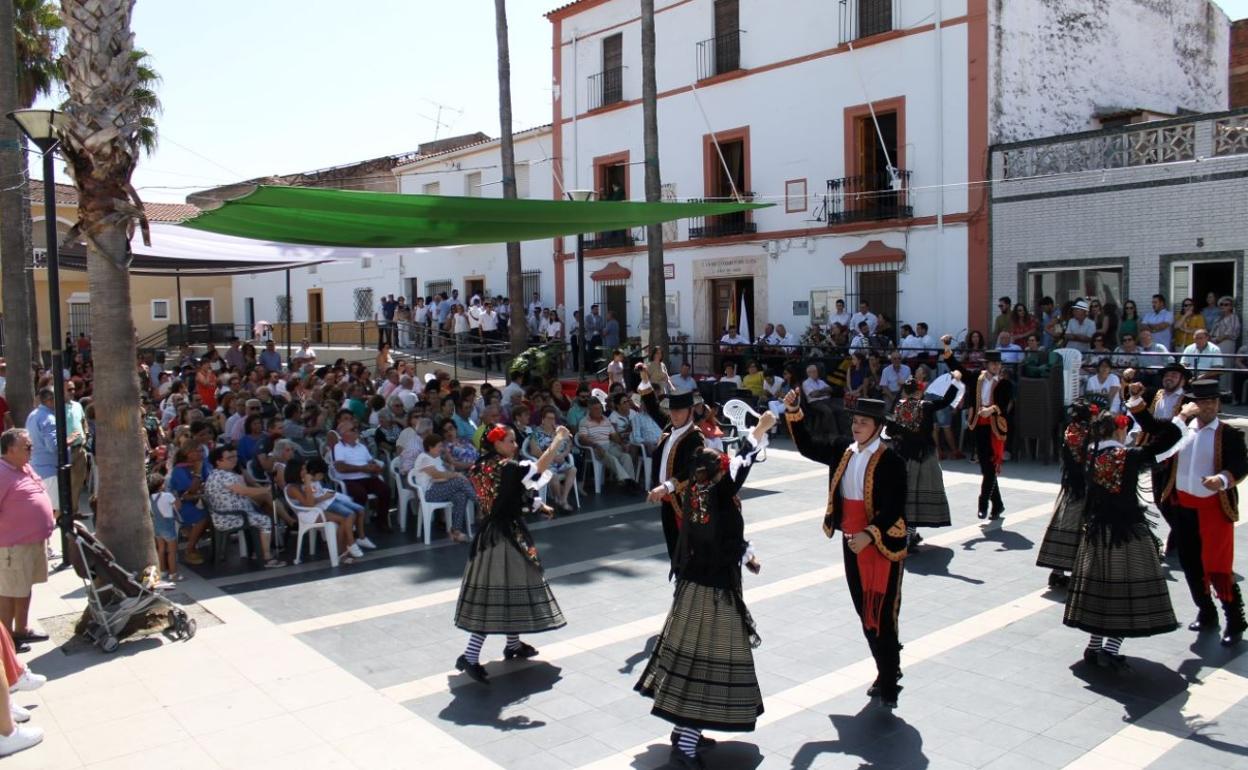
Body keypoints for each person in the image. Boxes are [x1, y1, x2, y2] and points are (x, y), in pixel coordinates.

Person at [636, 413, 773, 764]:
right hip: (713, 590)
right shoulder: (718, 492)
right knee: (707, 663)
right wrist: (760, 429)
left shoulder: (696, 492)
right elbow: (741, 463)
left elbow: (722, 537)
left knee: (692, 658)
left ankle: (685, 733)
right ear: (717, 474)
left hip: (695, 584)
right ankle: (685, 744)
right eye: (722, 469)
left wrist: (746, 555)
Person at [784, 391, 908, 708]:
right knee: (864, 611)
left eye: (863, 422)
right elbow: (808, 445)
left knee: (882, 612)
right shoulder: (844, 450)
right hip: (852, 541)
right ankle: (886, 667)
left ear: (878, 427)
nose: (856, 426)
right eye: (855, 420)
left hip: (882, 543)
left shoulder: (891, 460)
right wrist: (795, 411)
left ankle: (889, 678)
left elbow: (894, 506)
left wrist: (870, 533)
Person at [1063, 392, 1195, 668]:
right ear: (1119, 430)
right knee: (1127, 593)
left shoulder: (1091, 454)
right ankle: (1109, 650)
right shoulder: (1126, 456)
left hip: (1097, 531)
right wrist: (1182, 418)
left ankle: (1094, 647)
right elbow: (1162, 445)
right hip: (1126, 533)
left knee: (1101, 590)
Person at [453, 423, 570, 683]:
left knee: (512, 587)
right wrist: (558, 440)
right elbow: (537, 469)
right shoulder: (507, 467)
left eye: (515, 441)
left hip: (490, 533)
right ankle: (470, 656)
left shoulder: (480, 465)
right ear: (496, 443)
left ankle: (513, 644)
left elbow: (508, 494)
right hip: (503, 536)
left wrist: (538, 506)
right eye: (510, 441)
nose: (515, 446)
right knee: (497, 594)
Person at [1158, 378, 1248, 647]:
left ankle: (1235, 620)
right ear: (1193, 404)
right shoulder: (1182, 429)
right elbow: (1161, 450)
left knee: (1218, 566)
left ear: (1218, 404)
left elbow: (1240, 465)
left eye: (1212, 401)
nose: (1207, 406)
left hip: (1214, 509)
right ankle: (1206, 612)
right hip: (1183, 506)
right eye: (1202, 402)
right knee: (1190, 563)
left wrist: (1221, 479)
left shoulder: (1229, 434)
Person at [887, 373, 964, 547]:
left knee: (905, 497)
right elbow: (946, 401)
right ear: (919, 392)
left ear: (904, 392)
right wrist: (955, 382)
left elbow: (890, 431)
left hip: (903, 457)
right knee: (918, 496)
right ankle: (909, 535)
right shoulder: (927, 406)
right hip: (923, 457)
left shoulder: (898, 406)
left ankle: (907, 534)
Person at [941, 339, 1012, 520]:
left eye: (998, 363)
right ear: (986, 364)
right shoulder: (976, 378)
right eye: (993, 363)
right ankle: (998, 504)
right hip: (978, 425)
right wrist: (947, 348)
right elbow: (958, 368)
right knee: (985, 467)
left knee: (990, 467)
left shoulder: (1004, 383)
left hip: (995, 429)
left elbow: (1004, 405)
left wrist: (991, 409)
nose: (996, 366)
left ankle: (983, 503)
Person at [639, 368, 705, 560]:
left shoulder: (695, 438)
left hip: (684, 504)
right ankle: (678, 577)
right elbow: (653, 408)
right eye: (672, 410)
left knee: (687, 551)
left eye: (679, 411)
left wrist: (666, 487)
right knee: (673, 549)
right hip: (667, 502)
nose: (674, 415)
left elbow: (692, 469)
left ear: (690, 412)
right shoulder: (671, 425)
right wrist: (645, 380)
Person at [0, 430, 55, 643]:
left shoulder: (23, 467)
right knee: (8, 592)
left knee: (24, 588)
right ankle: (7, 641)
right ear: (11, 449)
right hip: (12, 547)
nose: (32, 449)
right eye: (27, 446)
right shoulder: (2, 472)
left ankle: (21, 630)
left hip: (31, 543)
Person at [1036, 401, 1096, 589]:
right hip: (1081, 487)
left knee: (1062, 525)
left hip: (1069, 486)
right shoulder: (1086, 434)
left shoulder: (1070, 430)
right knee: (1078, 527)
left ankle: (1057, 572)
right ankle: (1076, 572)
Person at [203, 446, 283, 568]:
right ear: (218, 461)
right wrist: (265, 490)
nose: (234, 460)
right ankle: (266, 557)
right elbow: (243, 491)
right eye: (229, 458)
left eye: (235, 456)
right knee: (265, 520)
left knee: (260, 509)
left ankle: (257, 550)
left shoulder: (213, 474)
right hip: (232, 517)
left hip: (222, 515)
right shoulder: (226, 476)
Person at [285, 458, 363, 563]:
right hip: (307, 514)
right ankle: (343, 551)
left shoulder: (300, 484)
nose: (306, 471)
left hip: (315, 510)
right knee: (343, 519)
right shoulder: (292, 488)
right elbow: (310, 504)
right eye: (303, 469)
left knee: (346, 518)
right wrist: (308, 483)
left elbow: (313, 500)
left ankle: (345, 550)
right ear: (295, 471)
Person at [410, 434, 477, 543]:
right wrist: (455, 474)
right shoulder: (424, 458)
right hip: (429, 493)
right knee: (459, 480)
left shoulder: (436, 458)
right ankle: (482, 503)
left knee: (461, 495)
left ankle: (456, 532)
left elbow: (444, 474)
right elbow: (437, 474)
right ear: (430, 447)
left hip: (439, 488)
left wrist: (450, 468)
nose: (441, 448)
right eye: (439, 446)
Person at [331, 423, 389, 540]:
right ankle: (357, 527)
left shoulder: (361, 446)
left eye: (356, 428)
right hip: (350, 480)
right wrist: (362, 468)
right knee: (359, 494)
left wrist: (374, 467)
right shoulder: (339, 447)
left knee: (385, 490)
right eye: (352, 429)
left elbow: (371, 461)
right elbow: (341, 467)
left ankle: (382, 522)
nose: (356, 430)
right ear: (344, 434)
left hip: (367, 477)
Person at [527, 408, 576, 512]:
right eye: (549, 418)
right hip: (546, 463)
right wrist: (552, 457)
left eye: (553, 418)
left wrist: (563, 455)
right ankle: (559, 499)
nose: (551, 421)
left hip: (560, 461)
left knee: (573, 470)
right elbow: (534, 451)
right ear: (543, 419)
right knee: (553, 476)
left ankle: (563, 499)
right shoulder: (536, 433)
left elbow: (569, 445)